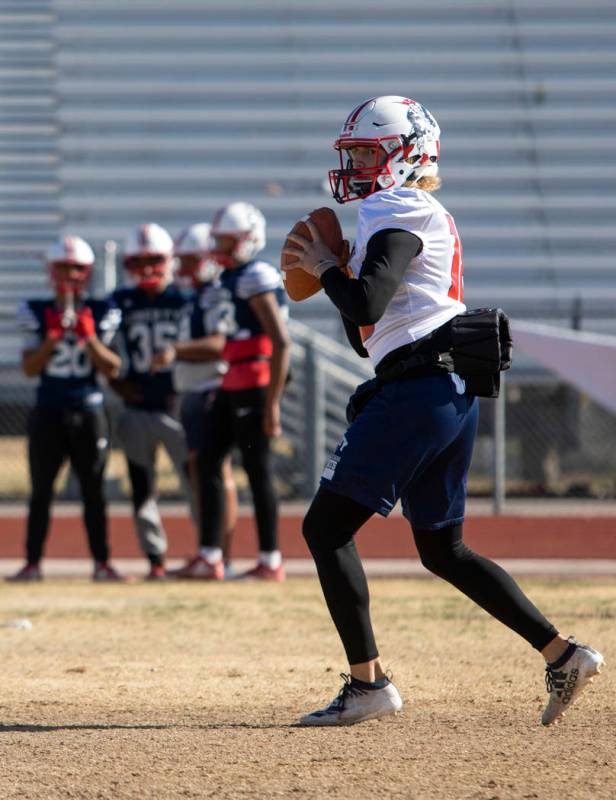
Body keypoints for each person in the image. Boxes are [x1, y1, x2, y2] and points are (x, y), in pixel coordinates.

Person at [282, 95, 604, 726]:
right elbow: (367, 330)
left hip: (419, 388)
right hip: (441, 390)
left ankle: (367, 685)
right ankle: (563, 654)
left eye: (369, 153)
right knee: (442, 551)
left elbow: (368, 300)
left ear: (407, 154)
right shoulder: (411, 209)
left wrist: (326, 268)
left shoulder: (396, 205)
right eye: (354, 154)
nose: (357, 166)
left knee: (325, 528)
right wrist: (339, 273)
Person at [9, 235, 122, 582]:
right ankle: (32, 563)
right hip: (49, 409)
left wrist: (88, 339)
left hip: (89, 409)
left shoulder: (103, 310)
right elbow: (30, 368)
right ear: (51, 271)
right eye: (63, 267)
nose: (69, 274)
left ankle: (102, 563)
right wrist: (53, 338)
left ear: (86, 272)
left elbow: (112, 368)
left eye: (76, 268)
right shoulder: (36, 310)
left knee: (93, 491)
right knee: (41, 490)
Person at [196, 202, 290, 580]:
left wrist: (273, 404)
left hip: (254, 382)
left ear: (248, 240)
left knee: (258, 471)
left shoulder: (256, 275)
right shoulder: (232, 277)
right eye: (217, 239)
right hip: (232, 380)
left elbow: (280, 342)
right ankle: (210, 554)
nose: (219, 246)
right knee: (208, 461)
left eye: (227, 240)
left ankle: (270, 559)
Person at [111, 223, 196, 580]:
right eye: (139, 261)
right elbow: (106, 352)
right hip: (137, 406)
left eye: (153, 260)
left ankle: (208, 551)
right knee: (142, 487)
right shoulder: (118, 303)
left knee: (194, 483)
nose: (146, 268)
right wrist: (117, 385)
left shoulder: (184, 299)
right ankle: (155, 560)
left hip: (176, 404)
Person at [171, 223, 238, 578]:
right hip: (196, 389)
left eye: (187, 261)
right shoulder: (198, 294)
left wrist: (173, 351)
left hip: (212, 386)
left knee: (215, 471)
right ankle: (209, 550)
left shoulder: (216, 293)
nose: (180, 269)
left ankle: (218, 554)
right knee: (202, 471)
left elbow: (218, 342)